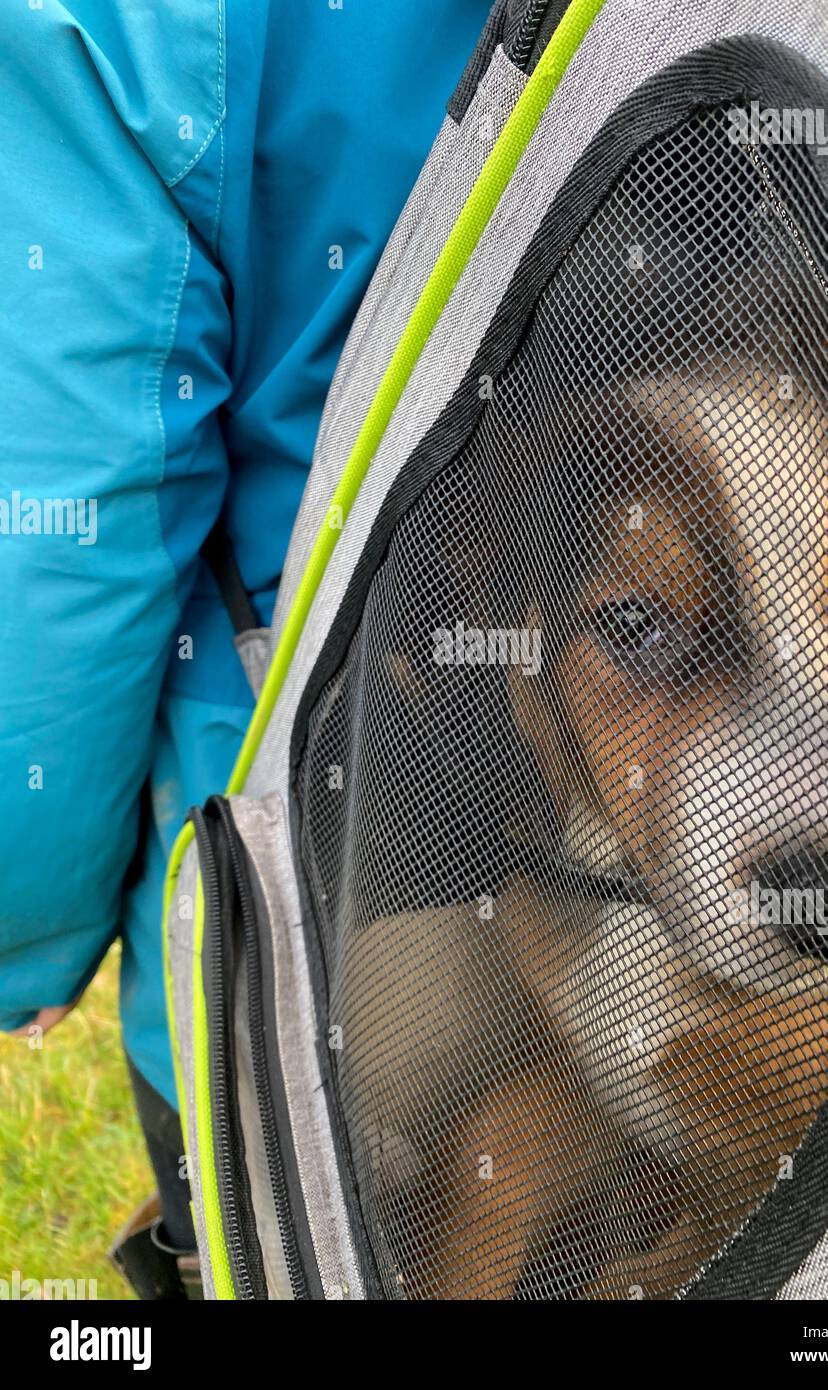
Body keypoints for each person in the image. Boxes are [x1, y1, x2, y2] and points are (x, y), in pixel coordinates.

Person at [0, 0, 490, 1298]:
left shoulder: (119, 23)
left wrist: (25, 930)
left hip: (297, 905)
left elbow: (74, 516)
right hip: (706, 852)